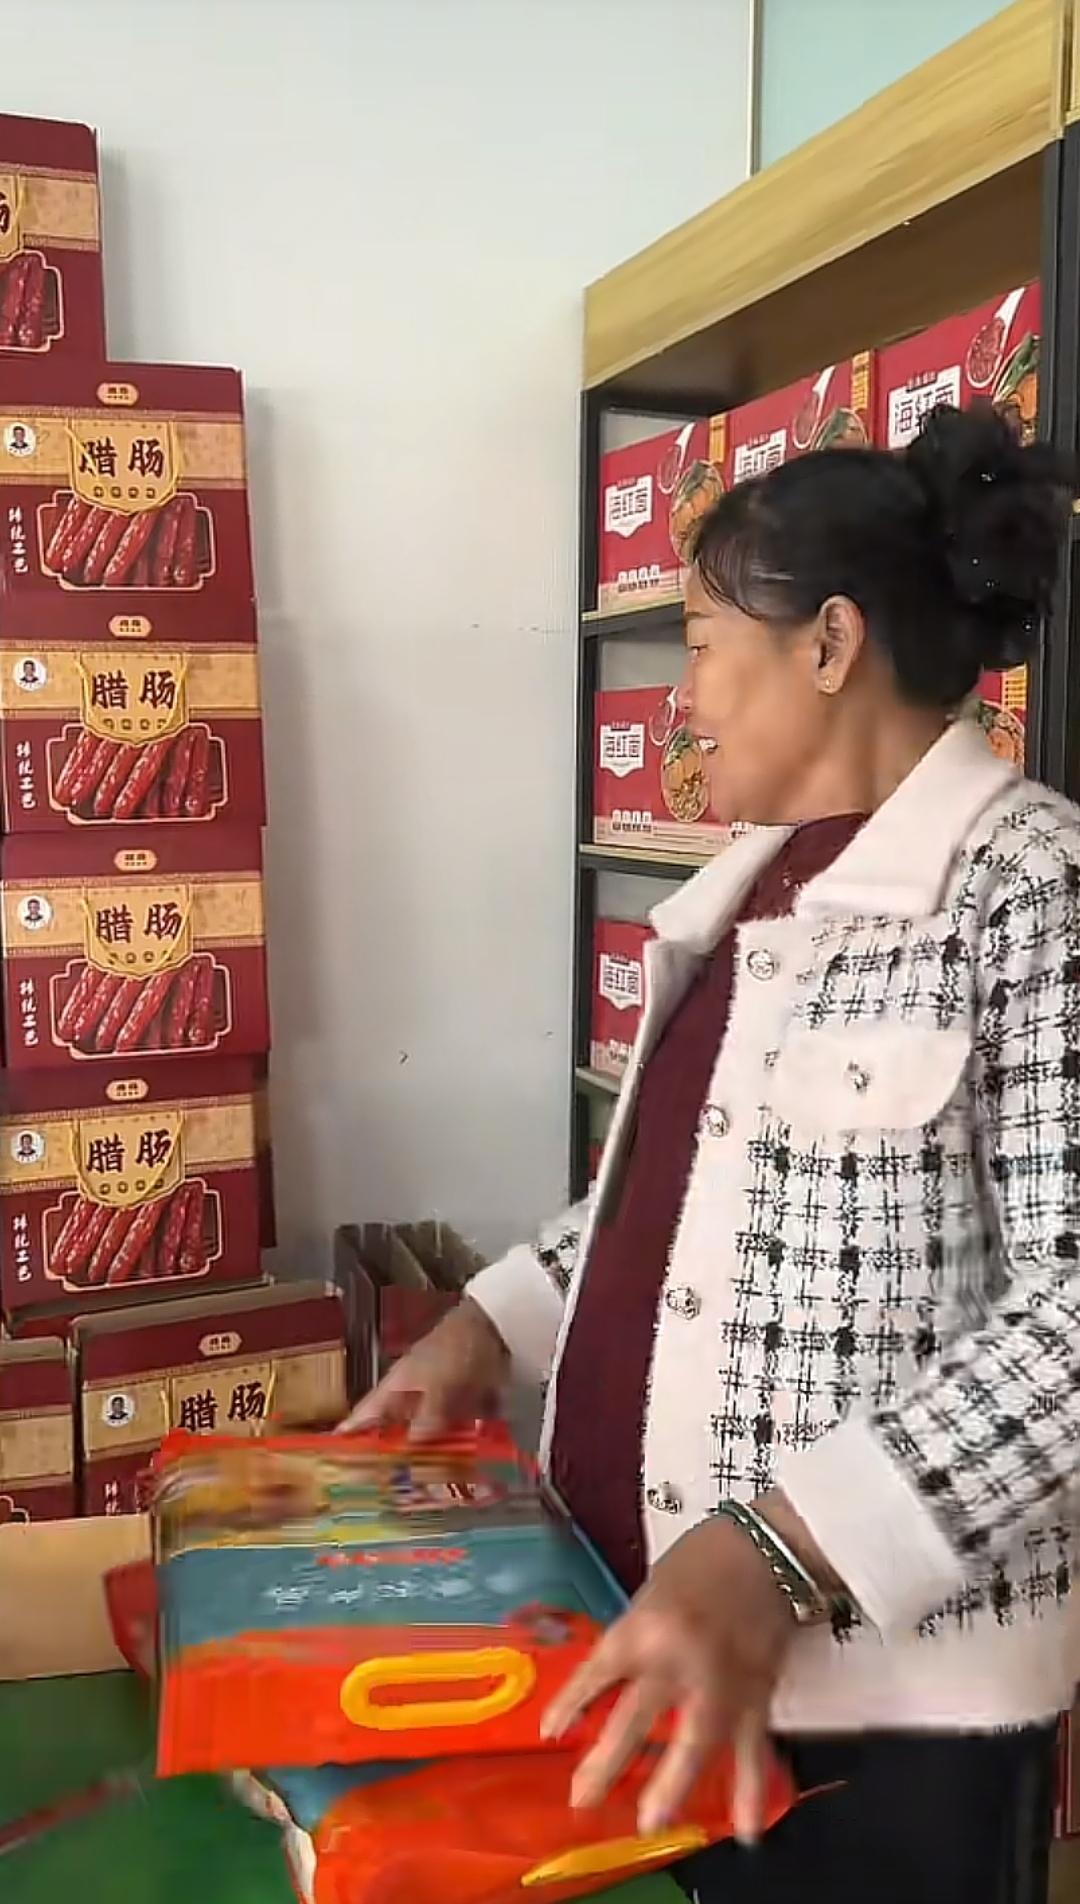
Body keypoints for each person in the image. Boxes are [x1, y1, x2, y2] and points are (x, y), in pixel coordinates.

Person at [344, 405, 1079, 1902]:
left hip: (877, 1715)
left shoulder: (1031, 887)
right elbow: (685, 1199)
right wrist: (494, 1323)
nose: (682, 706)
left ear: (830, 645)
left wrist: (786, 1549)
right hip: (646, 1637)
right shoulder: (756, 884)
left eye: (698, 645)